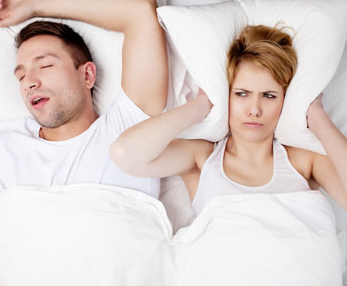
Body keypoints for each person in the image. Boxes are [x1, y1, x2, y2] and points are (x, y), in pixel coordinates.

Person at [0, 0, 168, 285]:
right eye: (21, 75)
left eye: (45, 65)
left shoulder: (130, 128)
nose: (30, 82)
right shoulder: (0, 146)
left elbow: (140, 10)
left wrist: (37, 4)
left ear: (87, 75)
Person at [111, 24, 347, 216]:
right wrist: (202, 105)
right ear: (227, 95)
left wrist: (317, 116)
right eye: (241, 94)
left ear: (285, 101)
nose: (254, 109)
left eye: (269, 96)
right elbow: (125, 154)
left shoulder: (304, 162)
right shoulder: (202, 158)